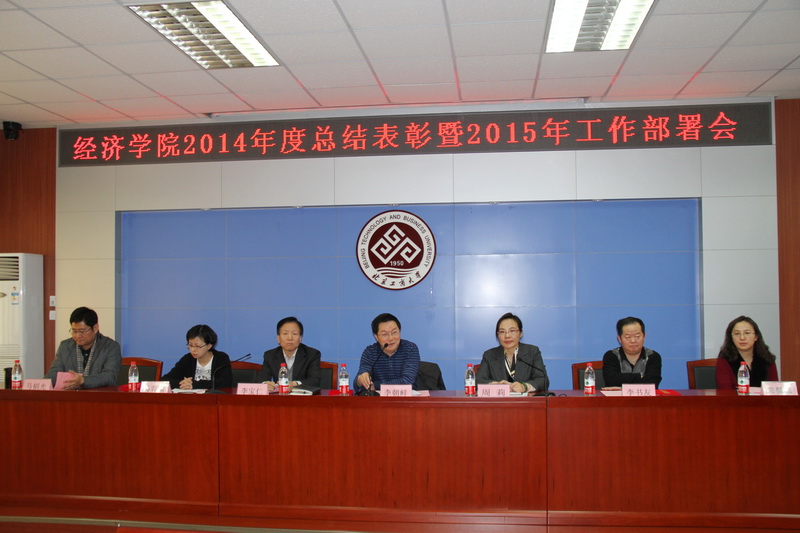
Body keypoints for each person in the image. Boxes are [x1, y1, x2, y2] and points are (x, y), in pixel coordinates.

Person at [45, 306, 121, 389]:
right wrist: (42, 384)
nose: (77, 336)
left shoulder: (110, 347)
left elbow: (109, 377)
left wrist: (83, 380)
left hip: (99, 395)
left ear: (95, 328)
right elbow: (54, 373)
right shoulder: (65, 346)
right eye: (74, 331)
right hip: (71, 395)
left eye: (82, 331)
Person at [476, 312, 549, 393]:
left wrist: (525, 386)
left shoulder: (532, 352)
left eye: (512, 330)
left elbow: (543, 380)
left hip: (525, 400)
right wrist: (495, 385)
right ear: (497, 335)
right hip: (499, 400)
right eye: (502, 332)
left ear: (520, 333)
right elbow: (478, 381)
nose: (507, 336)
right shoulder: (489, 355)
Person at [356, 313, 420, 392]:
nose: (390, 338)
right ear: (376, 336)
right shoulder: (370, 352)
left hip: (406, 398)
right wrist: (361, 380)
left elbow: (407, 382)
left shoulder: (410, 348)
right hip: (378, 399)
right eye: (384, 334)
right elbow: (358, 385)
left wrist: (375, 385)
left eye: (394, 332)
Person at [256, 316, 321, 391]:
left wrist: (295, 384)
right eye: (285, 333)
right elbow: (261, 379)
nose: (290, 338)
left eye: (294, 334)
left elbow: (314, 380)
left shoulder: (312, 354)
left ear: (300, 338)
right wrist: (265, 384)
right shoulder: (270, 355)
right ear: (278, 338)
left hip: (302, 396)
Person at [162, 324, 232, 390]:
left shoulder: (221, 358)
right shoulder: (188, 359)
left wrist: (194, 384)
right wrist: (183, 384)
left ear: (209, 346)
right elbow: (164, 380)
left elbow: (225, 383)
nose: (193, 350)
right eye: (190, 345)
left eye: (197, 346)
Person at [715, 315, 778, 389]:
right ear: (731, 338)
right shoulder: (725, 359)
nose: (742, 338)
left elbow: (774, 389)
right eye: (737, 333)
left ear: (756, 336)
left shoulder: (766, 357)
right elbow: (725, 391)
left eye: (747, 333)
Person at [602, 316, 662, 388]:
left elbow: (652, 383)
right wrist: (641, 376)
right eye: (628, 337)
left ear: (644, 336)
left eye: (637, 336)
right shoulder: (611, 355)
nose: (633, 341)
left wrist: (622, 380)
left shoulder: (652, 356)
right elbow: (611, 381)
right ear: (619, 339)